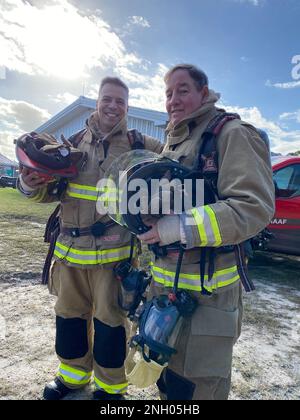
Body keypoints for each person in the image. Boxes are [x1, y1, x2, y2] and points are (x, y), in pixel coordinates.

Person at [17, 77, 163, 400]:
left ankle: (111, 388)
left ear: (127, 106)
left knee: (111, 323)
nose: (113, 106)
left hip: (115, 259)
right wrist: (28, 183)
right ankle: (72, 378)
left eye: (120, 101)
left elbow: (176, 160)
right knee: (68, 318)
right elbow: (47, 191)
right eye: (107, 99)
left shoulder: (142, 144)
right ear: (97, 102)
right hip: (70, 255)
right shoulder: (69, 145)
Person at [138, 64, 275, 400]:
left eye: (182, 90)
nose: (173, 99)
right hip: (165, 290)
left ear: (204, 92)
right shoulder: (174, 141)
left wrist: (177, 227)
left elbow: (253, 208)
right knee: (167, 382)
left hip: (208, 298)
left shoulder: (232, 134)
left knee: (197, 389)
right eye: (168, 93)